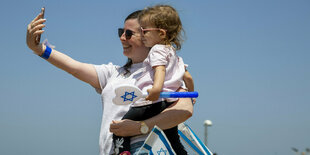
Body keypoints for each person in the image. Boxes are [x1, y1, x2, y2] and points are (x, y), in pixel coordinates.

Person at [26, 8, 193, 155]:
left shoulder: (168, 73)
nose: (122, 37)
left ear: (147, 35)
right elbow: (73, 67)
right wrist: (39, 49)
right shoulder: (114, 73)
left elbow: (184, 110)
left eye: (129, 33)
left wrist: (138, 127)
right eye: (121, 31)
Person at [112, 5, 195, 154]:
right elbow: (188, 77)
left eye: (145, 31)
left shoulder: (156, 50)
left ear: (161, 33)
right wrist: (190, 94)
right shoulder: (174, 54)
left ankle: (122, 152)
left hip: (148, 103)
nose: (142, 34)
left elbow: (160, 70)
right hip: (168, 103)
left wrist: (156, 89)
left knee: (119, 127)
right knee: (172, 136)